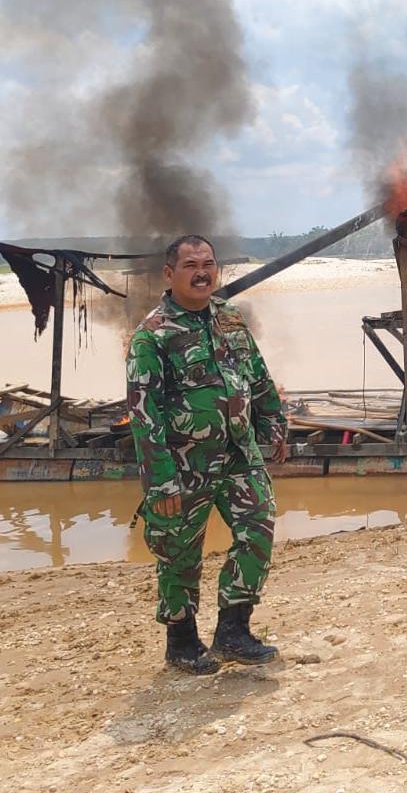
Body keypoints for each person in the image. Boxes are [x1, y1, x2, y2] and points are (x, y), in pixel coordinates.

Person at [127, 234, 287, 674]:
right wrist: (159, 482)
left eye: (209, 263)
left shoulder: (230, 320)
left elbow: (258, 379)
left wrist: (273, 425)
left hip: (239, 454)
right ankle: (181, 642)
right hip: (182, 466)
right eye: (191, 265)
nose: (202, 272)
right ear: (169, 274)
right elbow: (144, 414)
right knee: (180, 553)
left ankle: (234, 630)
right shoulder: (152, 336)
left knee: (259, 528)